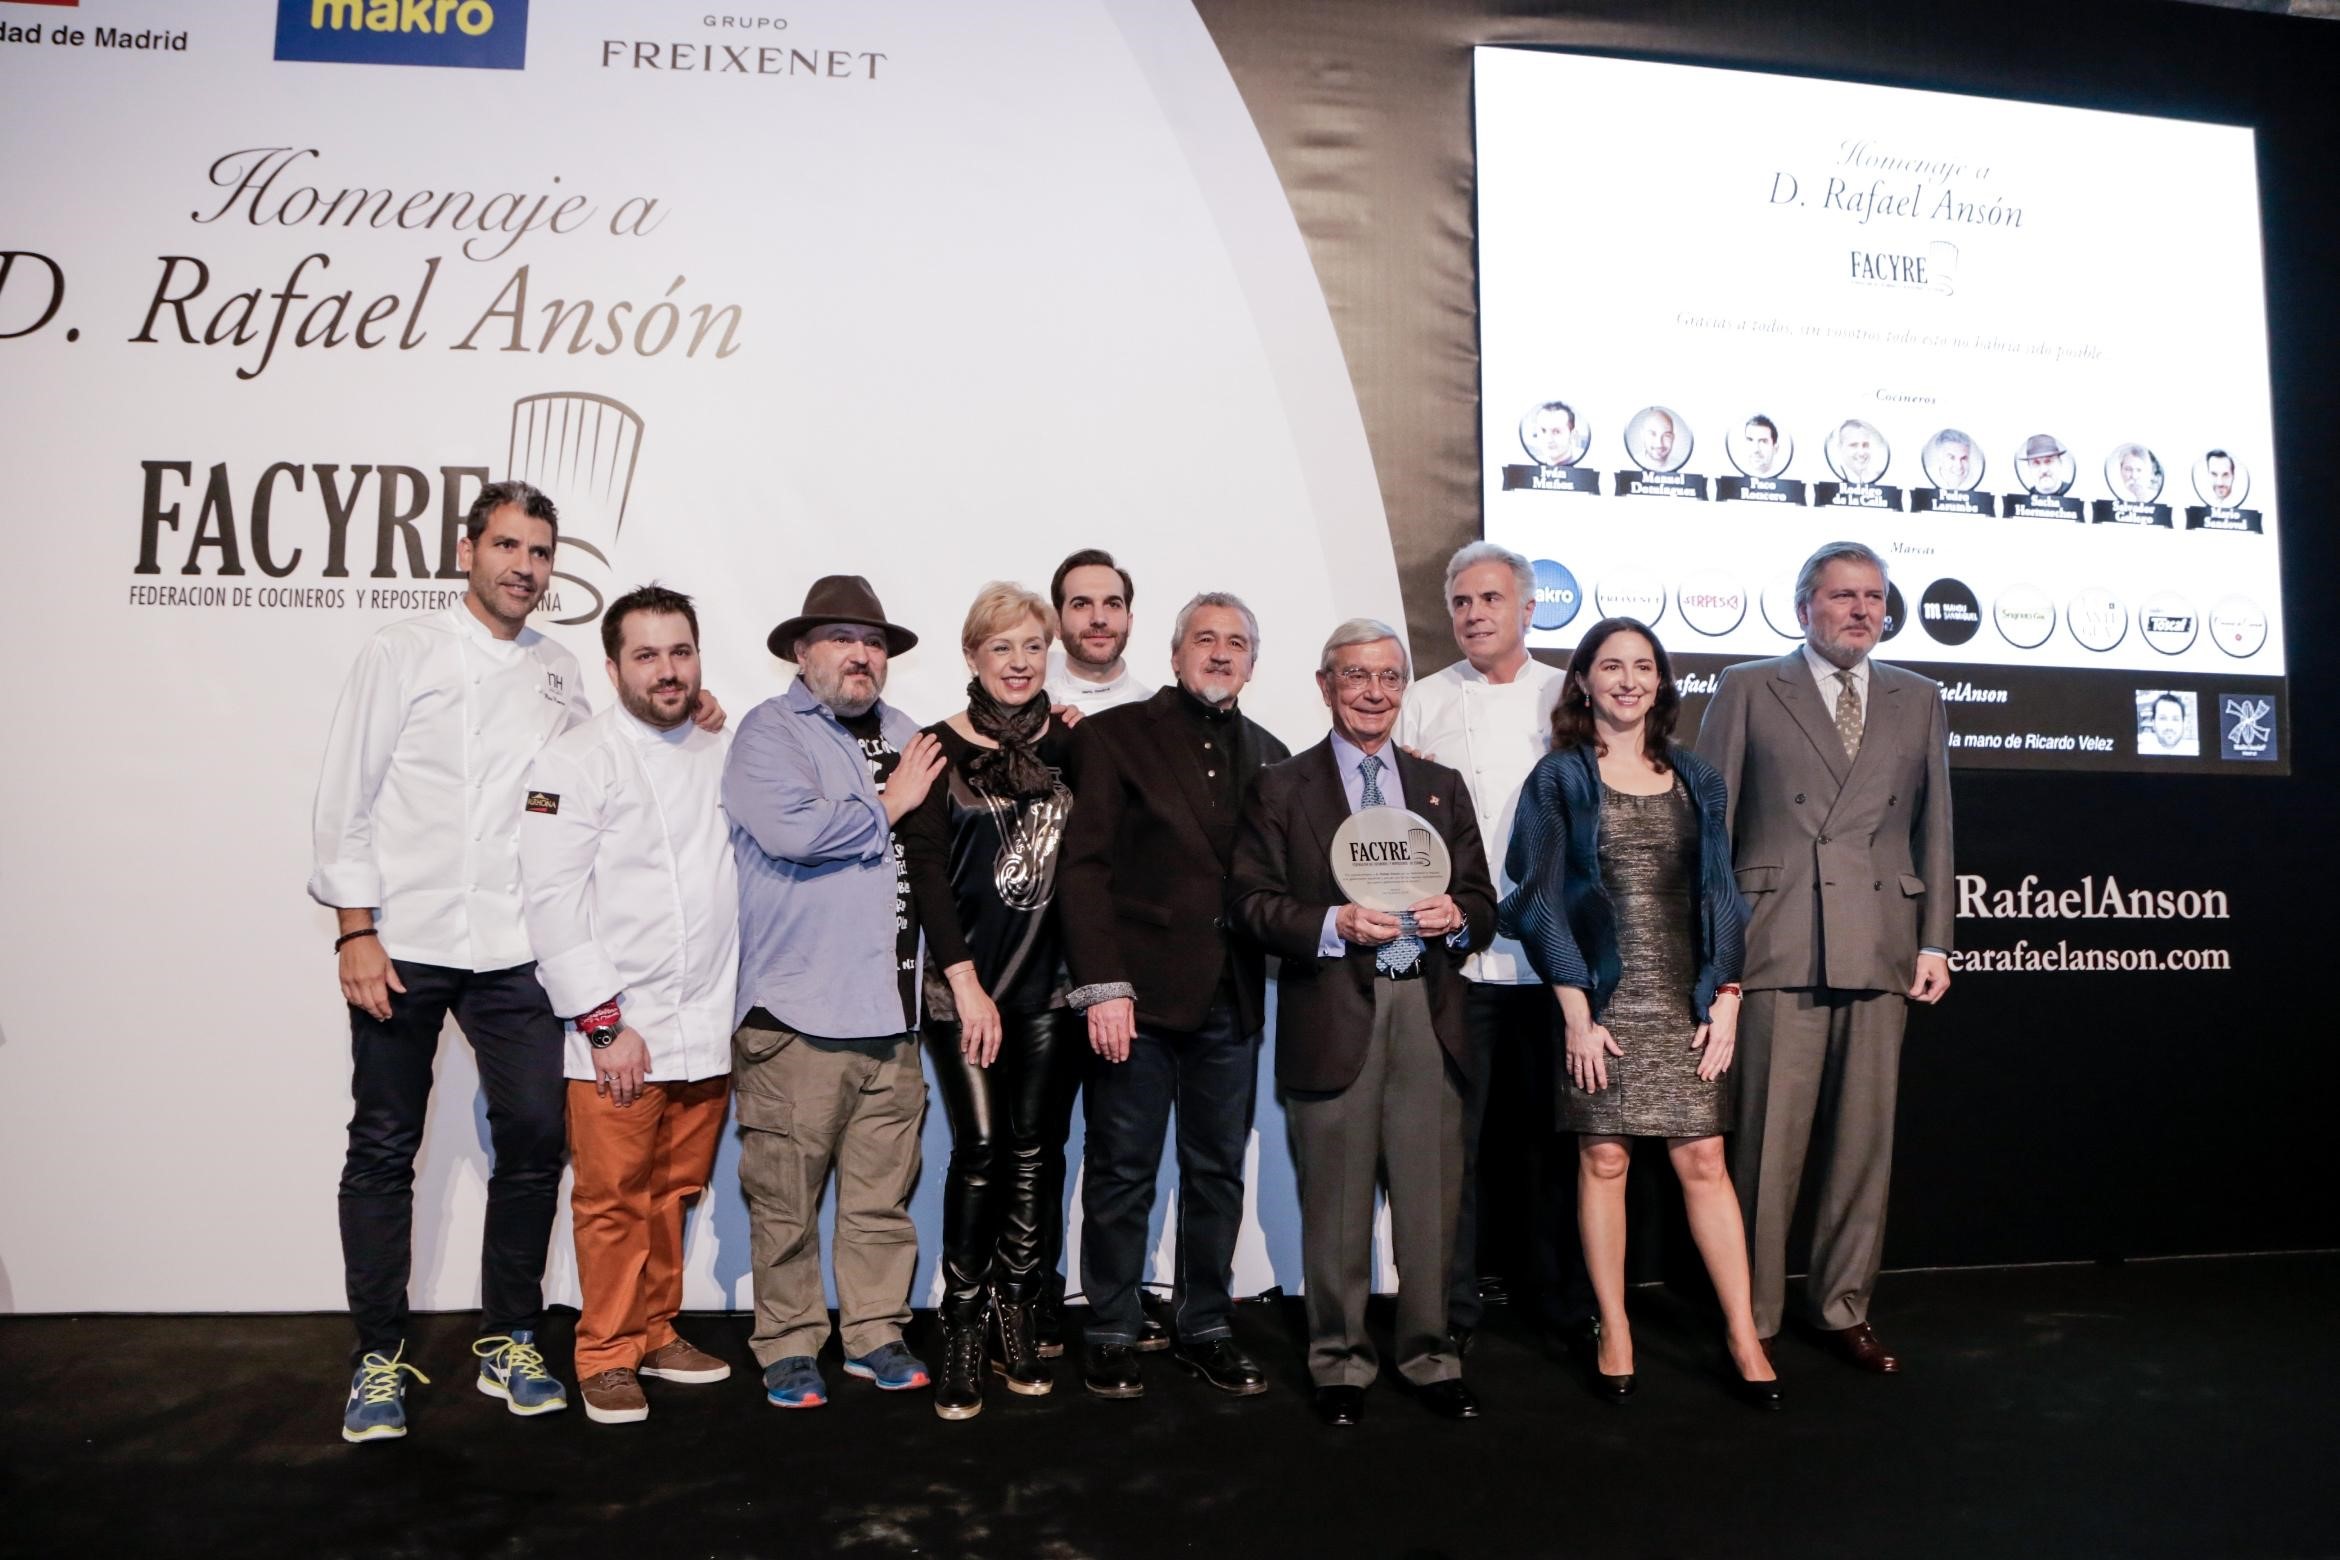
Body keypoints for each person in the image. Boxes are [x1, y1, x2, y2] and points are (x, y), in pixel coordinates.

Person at [311, 480, 723, 1443]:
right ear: (468, 551)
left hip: (513, 954)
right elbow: (346, 795)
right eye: (506, 547)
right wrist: (354, 930)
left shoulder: (561, 671)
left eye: (539, 553)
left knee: (535, 1144)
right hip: (403, 943)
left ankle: (510, 1335)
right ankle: (378, 1355)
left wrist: (696, 713)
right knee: (382, 1146)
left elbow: (601, 771)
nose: (523, 568)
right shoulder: (399, 651)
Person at [1500, 618, 1779, 1409]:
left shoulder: (1698, 778)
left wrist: (1727, 996)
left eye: (1644, 667)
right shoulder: (1558, 779)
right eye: (1611, 666)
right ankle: (1614, 1327)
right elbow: (1536, 898)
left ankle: (1742, 1333)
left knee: (1704, 1162)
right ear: (1583, 679)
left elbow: (1723, 895)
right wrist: (1576, 1015)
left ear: (1661, 682)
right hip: (1601, 1003)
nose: (1628, 679)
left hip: (1688, 1002)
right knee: (1605, 1161)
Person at [1695, 541, 1954, 1374]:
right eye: (1842, 596)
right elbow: (1710, 833)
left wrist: (1936, 938)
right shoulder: (1746, 687)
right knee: (1768, 1149)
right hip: (1779, 940)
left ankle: (1843, 1306)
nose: (1860, 611)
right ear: (1805, 604)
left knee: (1862, 1145)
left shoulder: (1919, 697)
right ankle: (1753, 1315)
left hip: (1879, 942)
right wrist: (1715, 953)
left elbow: (1935, 827)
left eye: (1873, 598)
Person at [1231, 620, 1497, 1427]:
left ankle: (1430, 1355)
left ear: (1403, 686)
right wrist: (1330, 924)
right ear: (1325, 686)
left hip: (1429, 1009)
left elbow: (1485, 904)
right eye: (1355, 678)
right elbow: (1249, 904)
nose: (1373, 693)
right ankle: (1339, 1363)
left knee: (1430, 1202)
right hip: (1334, 1010)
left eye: (1387, 677)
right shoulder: (1282, 787)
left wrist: (1458, 916)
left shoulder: (1440, 785)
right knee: (1336, 1204)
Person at [723, 575, 945, 1409]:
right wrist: (889, 803)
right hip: (796, 1015)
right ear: (800, 650)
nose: (862, 655)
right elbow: (794, 832)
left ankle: (877, 1330)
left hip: (893, 1017)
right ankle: (786, 1341)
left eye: (875, 642)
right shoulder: (767, 733)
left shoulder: (906, 731)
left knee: (882, 1199)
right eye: (842, 638)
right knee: (786, 1200)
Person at [1060, 592, 1289, 1401]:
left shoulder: (1272, 753)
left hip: (1232, 1000)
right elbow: (1082, 868)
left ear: (1253, 663)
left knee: (1217, 1170)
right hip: (1137, 999)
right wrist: (1101, 987)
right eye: (1205, 639)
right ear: (1174, 652)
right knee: (1122, 1169)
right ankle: (1114, 1327)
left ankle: (1206, 1325)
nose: (1221, 653)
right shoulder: (1118, 736)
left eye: (1236, 642)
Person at [518, 585, 738, 1425]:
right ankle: (604, 1352)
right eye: (646, 655)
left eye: (680, 651)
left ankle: (654, 1328)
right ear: (611, 668)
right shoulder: (573, 761)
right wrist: (602, 1023)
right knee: (611, 1200)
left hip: (704, 1025)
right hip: (619, 1032)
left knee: (675, 1190)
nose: (668, 670)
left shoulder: (721, 746)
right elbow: (550, 898)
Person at [898, 583, 1086, 1419]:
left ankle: (1018, 1305)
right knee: (978, 1148)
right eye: (1001, 649)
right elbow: (929, 879)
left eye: (1032, 648)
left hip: (1049, 988)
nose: (1018, 663)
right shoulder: (936, 749)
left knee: (1034, 1151)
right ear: (972, 657)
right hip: (963, 990)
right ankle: (962, 1320)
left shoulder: (1074, 747)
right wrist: (967, 984)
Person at [1393, 544, 1578, 1355]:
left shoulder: (1566, 698)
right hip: (1458, 964)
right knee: (1453, 1150)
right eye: (1462, 601)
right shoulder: (1422, 701)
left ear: (1528, 608)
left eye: (1490, 599)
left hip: (1555, 963)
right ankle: (1452, 1313)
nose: (1474, 614)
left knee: (1554, 1144)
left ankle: (1560, 1302)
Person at [1046, 549, 1154, 719]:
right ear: (1057, 624)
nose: (1099, 618)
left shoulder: (1159, 714)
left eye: (1112, 604)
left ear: (1129, 621)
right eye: (1081, 604)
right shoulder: (1034, 712)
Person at [1521, 401, 1582, 468]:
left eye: (1556, 431)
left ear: (1573, 435)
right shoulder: (1527, 468)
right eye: (1543, 431)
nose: (1548, 439)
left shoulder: (1584, 470)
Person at [1833, 420, 1884, 486]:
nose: (1861, 453)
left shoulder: (1882, 479)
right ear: (1840, 448)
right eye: (1853, 445)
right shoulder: (1831, 482)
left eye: (1865, 445)